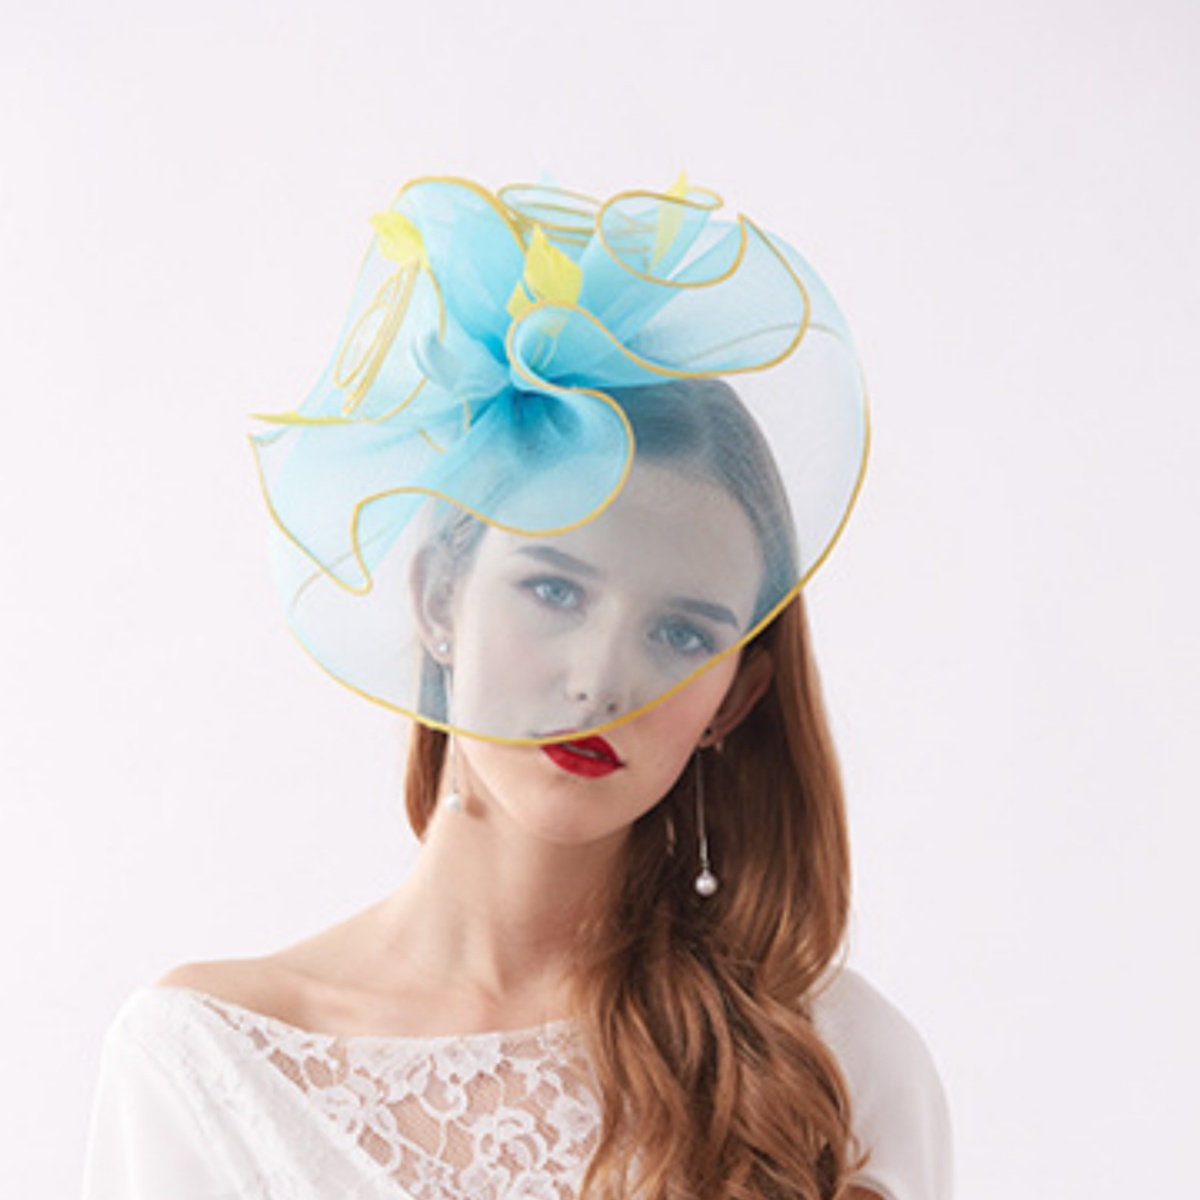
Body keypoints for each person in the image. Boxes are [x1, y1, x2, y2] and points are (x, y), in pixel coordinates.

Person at [82, 177, 952, 1199]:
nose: (601, 682)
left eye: (680, 633)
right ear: (439, 598)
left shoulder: (828, 1062)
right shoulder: (210, 1067)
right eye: (555, 590)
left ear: (735, 699)